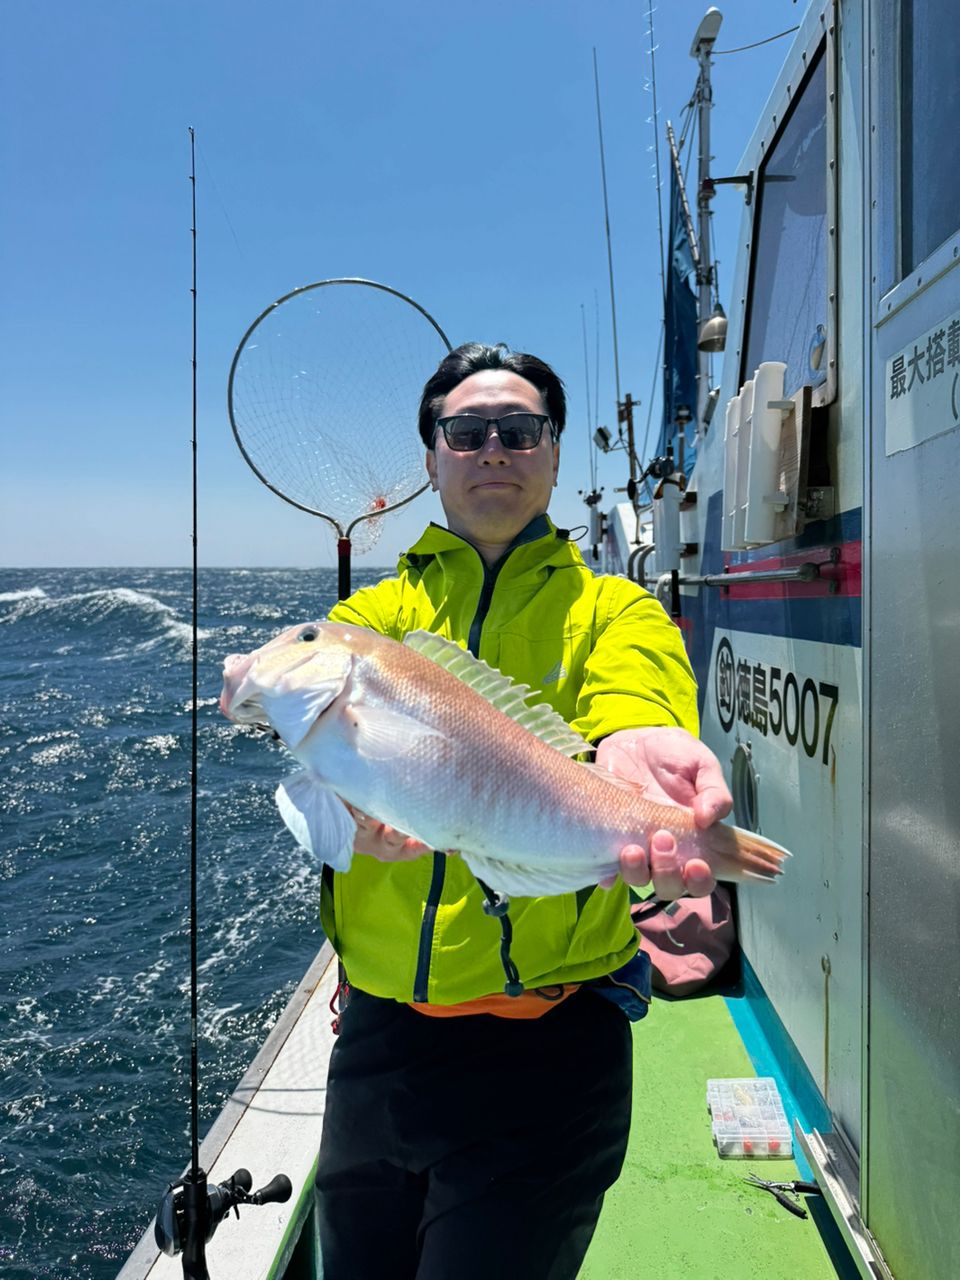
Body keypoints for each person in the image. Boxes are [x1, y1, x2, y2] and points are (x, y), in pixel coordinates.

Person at [314, 343, 733, 1279]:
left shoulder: (619, 611)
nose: (493, 447)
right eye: (467, 432)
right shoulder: (373, 623)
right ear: (431, 458)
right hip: (379, 1045)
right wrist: (347, 807)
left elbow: (638, 704)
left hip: (550, 1051)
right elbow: (318, 749)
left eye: (521, 430)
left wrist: (634, 756)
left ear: (552, 453)